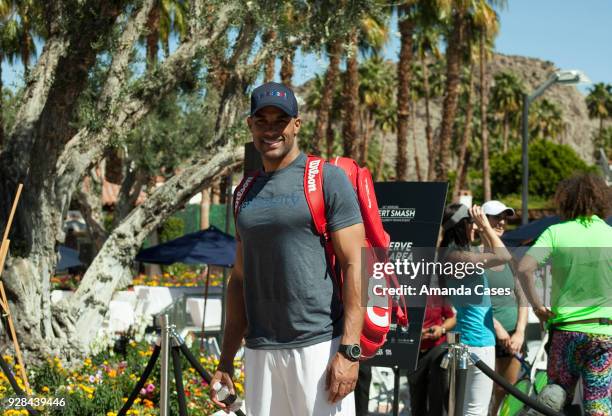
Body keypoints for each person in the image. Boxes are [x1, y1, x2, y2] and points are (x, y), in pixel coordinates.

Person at [210, 82, 366, 416]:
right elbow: (239, 279)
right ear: (250, 125)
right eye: (261, 120)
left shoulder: (326, 179)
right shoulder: (244, 192)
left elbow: (356, 264)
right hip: (260, 351)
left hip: (319, 347)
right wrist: (226, 360)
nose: (271, 129)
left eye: (280, 120)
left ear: (296, 124)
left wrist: (350, 352)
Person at [518, 173, 611, 415]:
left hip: (566, 330)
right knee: (599, 405)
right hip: (603, 332)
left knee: (556, 394)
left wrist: (538, 307)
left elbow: (524, 268)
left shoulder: (556, 232)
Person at [439, 203, 512, 416]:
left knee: (464, 408)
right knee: (475, 410)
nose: (475, 227)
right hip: (477, 341)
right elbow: (503, 256)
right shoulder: (458, 257)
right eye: (471, 223)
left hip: (470, 339)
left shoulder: (455, 254)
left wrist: (483, 228)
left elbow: (493, 253)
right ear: (463, 226)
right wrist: (486, 226)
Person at [481, 200, 529, 415]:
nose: (501, 222)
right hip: (485, 335)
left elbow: (522, 298)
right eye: (495, 217)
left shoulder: (511, 258)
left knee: (506, 393)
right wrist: (497, 327)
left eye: (504, 218)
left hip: (513, 337)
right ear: (482, 220)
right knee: (484, 392)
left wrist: (519, 331)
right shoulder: (473, 256)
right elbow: (471, 300)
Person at [407, 294, 456, 416]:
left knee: (437, 393)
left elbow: (452, 318)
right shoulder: (404, 296)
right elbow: (395, 324)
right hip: (414, 350)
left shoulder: (436, 295)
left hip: (437, 348)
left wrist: (442, 329)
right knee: (416, 397)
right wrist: (415, 333)